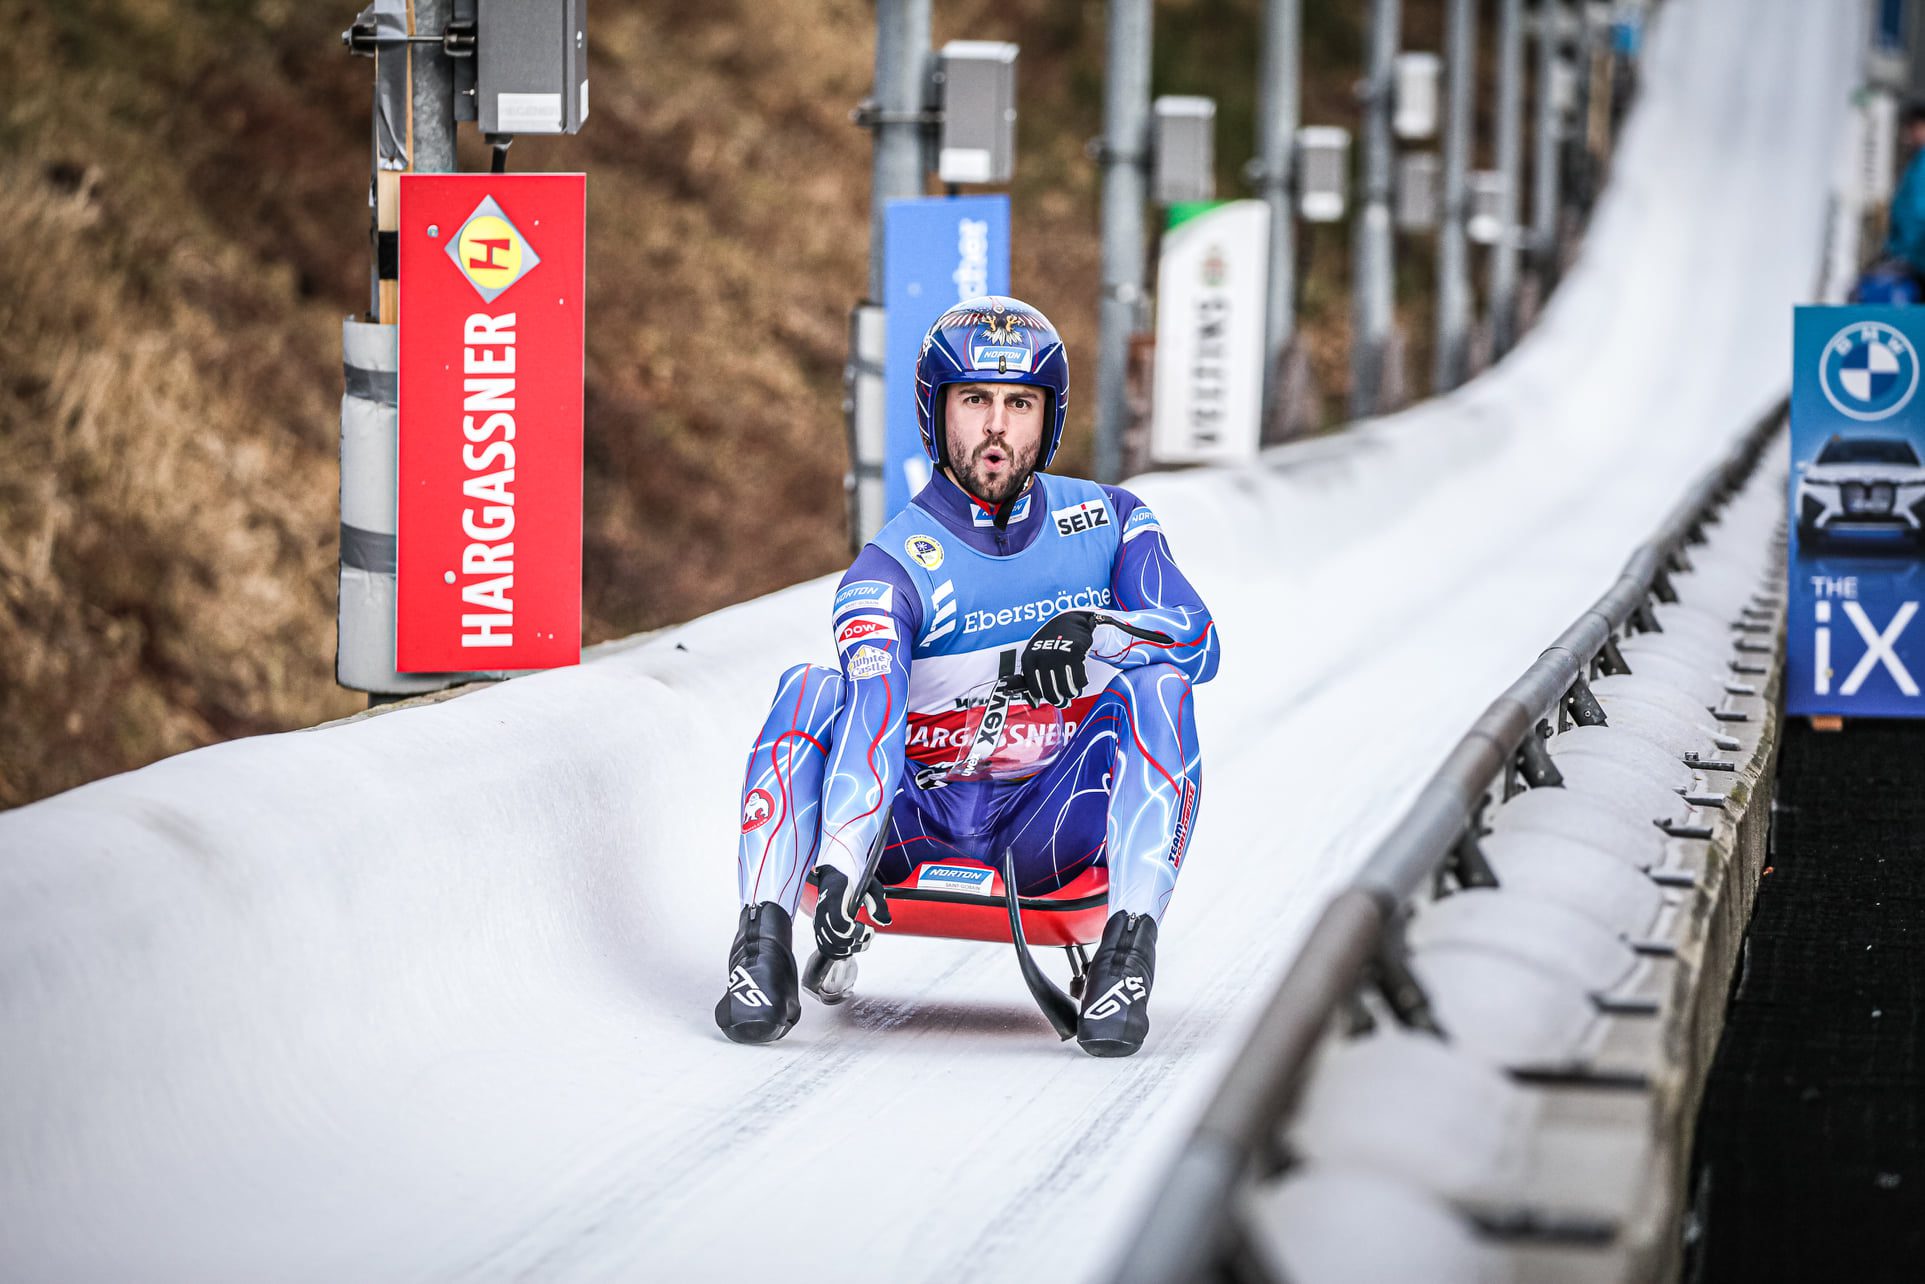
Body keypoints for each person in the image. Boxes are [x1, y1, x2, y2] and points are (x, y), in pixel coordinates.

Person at [714, 295, 1221, 1058]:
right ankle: (760, 947)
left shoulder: (1110, 518)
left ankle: (1127, 956)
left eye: (1019, 403)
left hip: (1044, 827)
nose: (995, 427)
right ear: (935, 411)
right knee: (810, 688)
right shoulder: (887, 568)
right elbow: (872, 714)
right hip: (910, 825)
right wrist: (842, 862)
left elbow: (1200, 645)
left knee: (1160, 687)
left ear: (1046, 419)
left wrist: (1103, 632)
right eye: (974, 400)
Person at [1873, 101, 1925, 301]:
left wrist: (1903, 253)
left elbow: (1918, 212)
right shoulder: (1918, 161)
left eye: (1912, 128)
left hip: (1915, 259)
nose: (1907, 137)